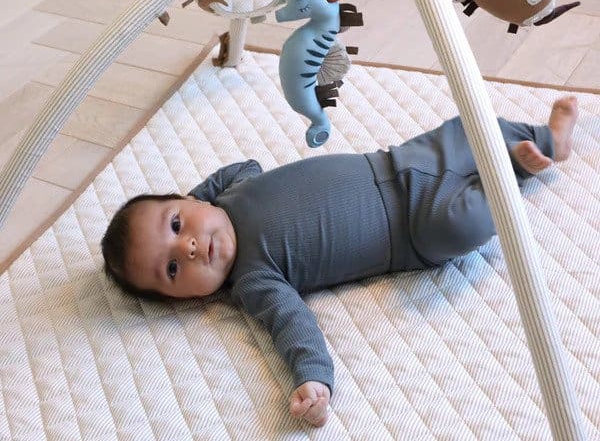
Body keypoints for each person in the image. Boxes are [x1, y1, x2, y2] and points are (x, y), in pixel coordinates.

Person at [101, 96, 578, 428]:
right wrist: (313, 378)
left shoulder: (232, 191)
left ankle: (549, 139)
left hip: (397, 162)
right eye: (172, 270)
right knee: (462, 225)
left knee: (464, 130)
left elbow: (244, 165)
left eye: (176, 223)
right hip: (415, 229)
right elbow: (293, 325)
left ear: (189, 199)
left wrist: (203, 195)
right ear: (181, 299)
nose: (187, 248)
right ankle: (509, 175)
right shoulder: (252, 280)